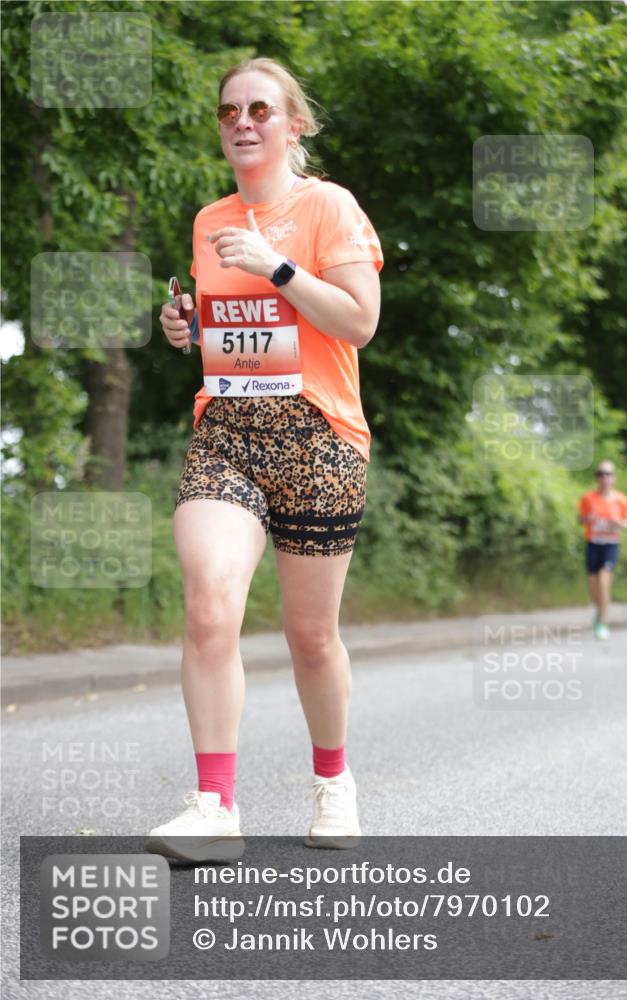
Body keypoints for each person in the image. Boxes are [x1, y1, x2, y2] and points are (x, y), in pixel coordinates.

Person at [146, 57, 382, 861]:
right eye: (227, 112)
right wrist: (190, 331)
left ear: (293, 126)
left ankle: (332, 782)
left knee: (309, 636)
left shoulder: (328, 207)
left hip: (319, 437)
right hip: (228, 435)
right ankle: (214, 806)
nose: (241, 122)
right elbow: (238, 341)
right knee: (210, 602)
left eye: (258, 110)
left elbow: (357, 324)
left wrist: (276, 266)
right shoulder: (211, 218)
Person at [577, 462, 627, 640]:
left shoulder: (622, 500)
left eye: (608, 474)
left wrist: (618, 524)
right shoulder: (588, 498)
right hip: (593, 543)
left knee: (604, 582)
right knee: (593, 587)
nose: (604, 478)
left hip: (610, 544)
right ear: (596, 478)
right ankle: (600, 611)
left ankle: (603, 622)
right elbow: (580, 519)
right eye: (600, 474)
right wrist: (587, 519)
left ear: (613, 478)